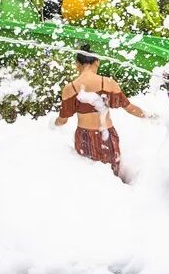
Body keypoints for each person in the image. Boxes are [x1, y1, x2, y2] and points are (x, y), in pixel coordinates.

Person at [55, 45, 146, 179]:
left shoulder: (70, 88)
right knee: (112, 179)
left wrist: (53, 124)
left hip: (84, 138)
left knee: (89, 178)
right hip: (106, 135)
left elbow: (62, 120)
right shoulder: (108, 83)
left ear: (77, 64)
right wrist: (149, 116)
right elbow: (130, 108)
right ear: (97, 61)